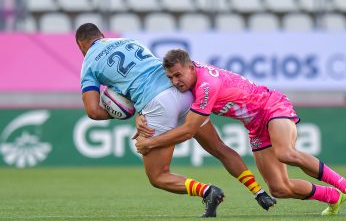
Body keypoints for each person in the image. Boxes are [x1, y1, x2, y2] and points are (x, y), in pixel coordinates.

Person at [135, 49, 346, 216]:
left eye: (178, 75)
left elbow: (188, 131)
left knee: (285, 153)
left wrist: (150, 144)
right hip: (255, 125)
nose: (175, 82)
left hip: (271, 107)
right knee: (279, 188)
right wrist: (139, 115)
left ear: (190, 66)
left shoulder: (206, 85)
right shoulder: (189, 83)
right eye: (170, 78)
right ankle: (333, 197)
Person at [76, 23, 275, 217]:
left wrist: (122, 112)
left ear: (81, 46)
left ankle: (207, 191)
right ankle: (258, 192)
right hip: (183, 91)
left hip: (157, 104)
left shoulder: (89, 64)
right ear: (101, 35)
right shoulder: (130, 42)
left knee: (158, 176)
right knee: (218, 147)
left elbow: (93, 111)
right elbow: (146, 73)